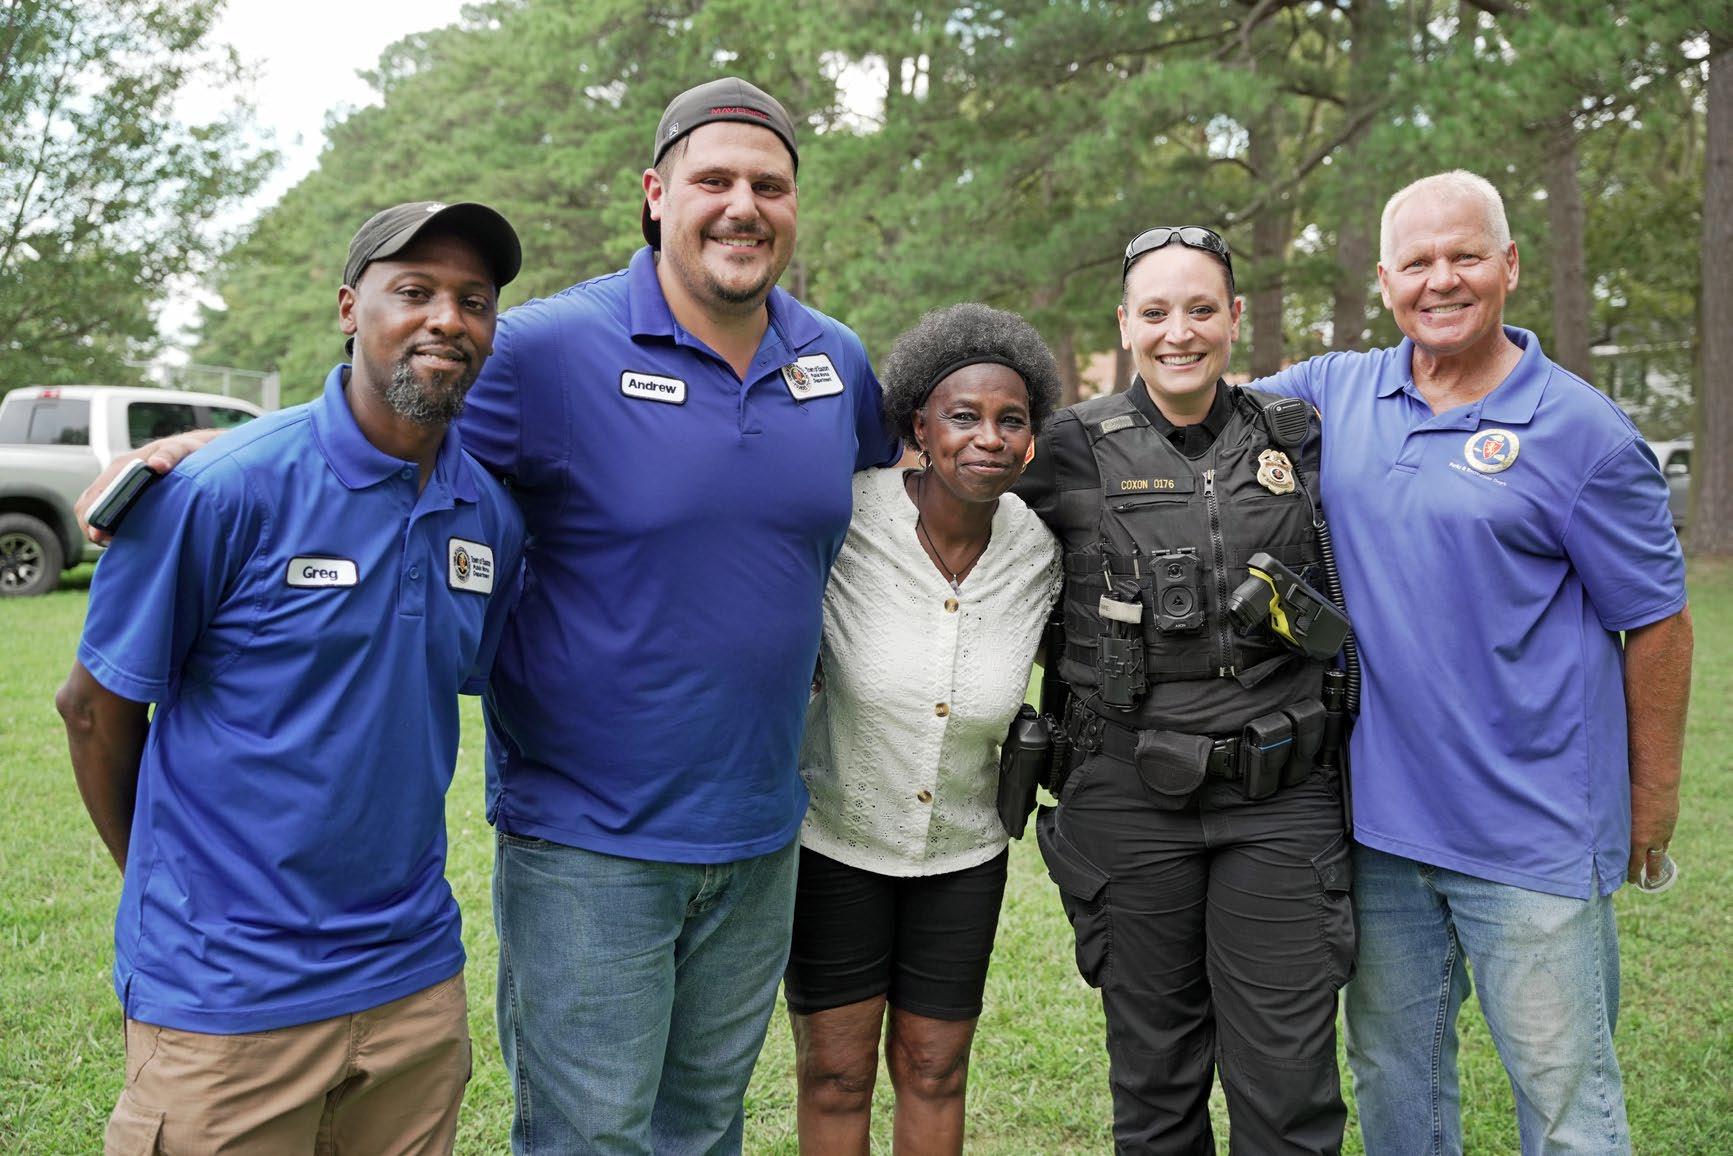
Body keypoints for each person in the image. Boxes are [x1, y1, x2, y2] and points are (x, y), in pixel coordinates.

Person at [458, 78, 901, 1154]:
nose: (742, 206)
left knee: (702, 1130)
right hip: (588, 841)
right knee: (587, 1138)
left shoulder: (833, 361)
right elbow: (379, 430)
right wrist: (204, 456)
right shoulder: (544, 350)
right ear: (657, 195)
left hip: (761, 830)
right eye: (713, 181)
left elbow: (907, 497)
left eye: (769, 186)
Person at [56, 201, 526, 1154]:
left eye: (473, 301)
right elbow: (93, 710)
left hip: (412, 988)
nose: (447, 319)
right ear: (351, 309)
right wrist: (170, 890)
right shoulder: (220, 489)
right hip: (228, 996)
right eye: (414, 292)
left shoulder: (487, 516)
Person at [1258, 170, 1693, 1155]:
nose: (1441, 279)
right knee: (1394, 1081)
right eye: (1416, 262)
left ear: (1508, 264)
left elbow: (1658, 622)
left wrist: (1652, 798)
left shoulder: (1581, 432)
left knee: (1566, 1103)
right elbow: (1191, 409)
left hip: (1533, 836)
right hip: (1378, 830)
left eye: (1464, 255)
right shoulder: (1336, 392)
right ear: (1383, 281)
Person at [1014, 226, 1354, 1154]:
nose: (1179, 333)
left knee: (1288, 1085)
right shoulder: (1067, 445)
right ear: (1124, 324)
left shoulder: (1294, 436)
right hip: (1128, 796)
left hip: (1281, 798)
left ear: (1233, 318)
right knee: (1155, 1083)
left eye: (1201, 309)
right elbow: (956, 523)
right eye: (1155, 312)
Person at [786, 303, 1063, 1155]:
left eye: (1010, 420)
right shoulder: (846, 520)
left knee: (936, 1069)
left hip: (963, 855)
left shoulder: (1041, 552)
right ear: (919, 426)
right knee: (835, 1074)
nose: (987, 438)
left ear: (1030, 438)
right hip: (835, 844)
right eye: (963, 416)